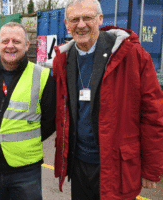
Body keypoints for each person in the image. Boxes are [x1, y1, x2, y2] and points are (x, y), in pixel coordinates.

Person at [53, 0, 163, 199]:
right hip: (78, 164)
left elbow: (154, 115)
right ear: (67, 25)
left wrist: (151, 168)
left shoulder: (131, 55)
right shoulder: (63, 59)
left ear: (100, 19)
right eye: (74, 19)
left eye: (88, 17)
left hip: (117, 166)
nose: (81, 24)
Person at [0, 22, 56, 200]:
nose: (10, 46)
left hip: (26, 169)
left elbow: (50, 120)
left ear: (27, 45)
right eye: (5, 41)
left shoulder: (42, 76)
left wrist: (22, 139)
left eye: (17, 41)